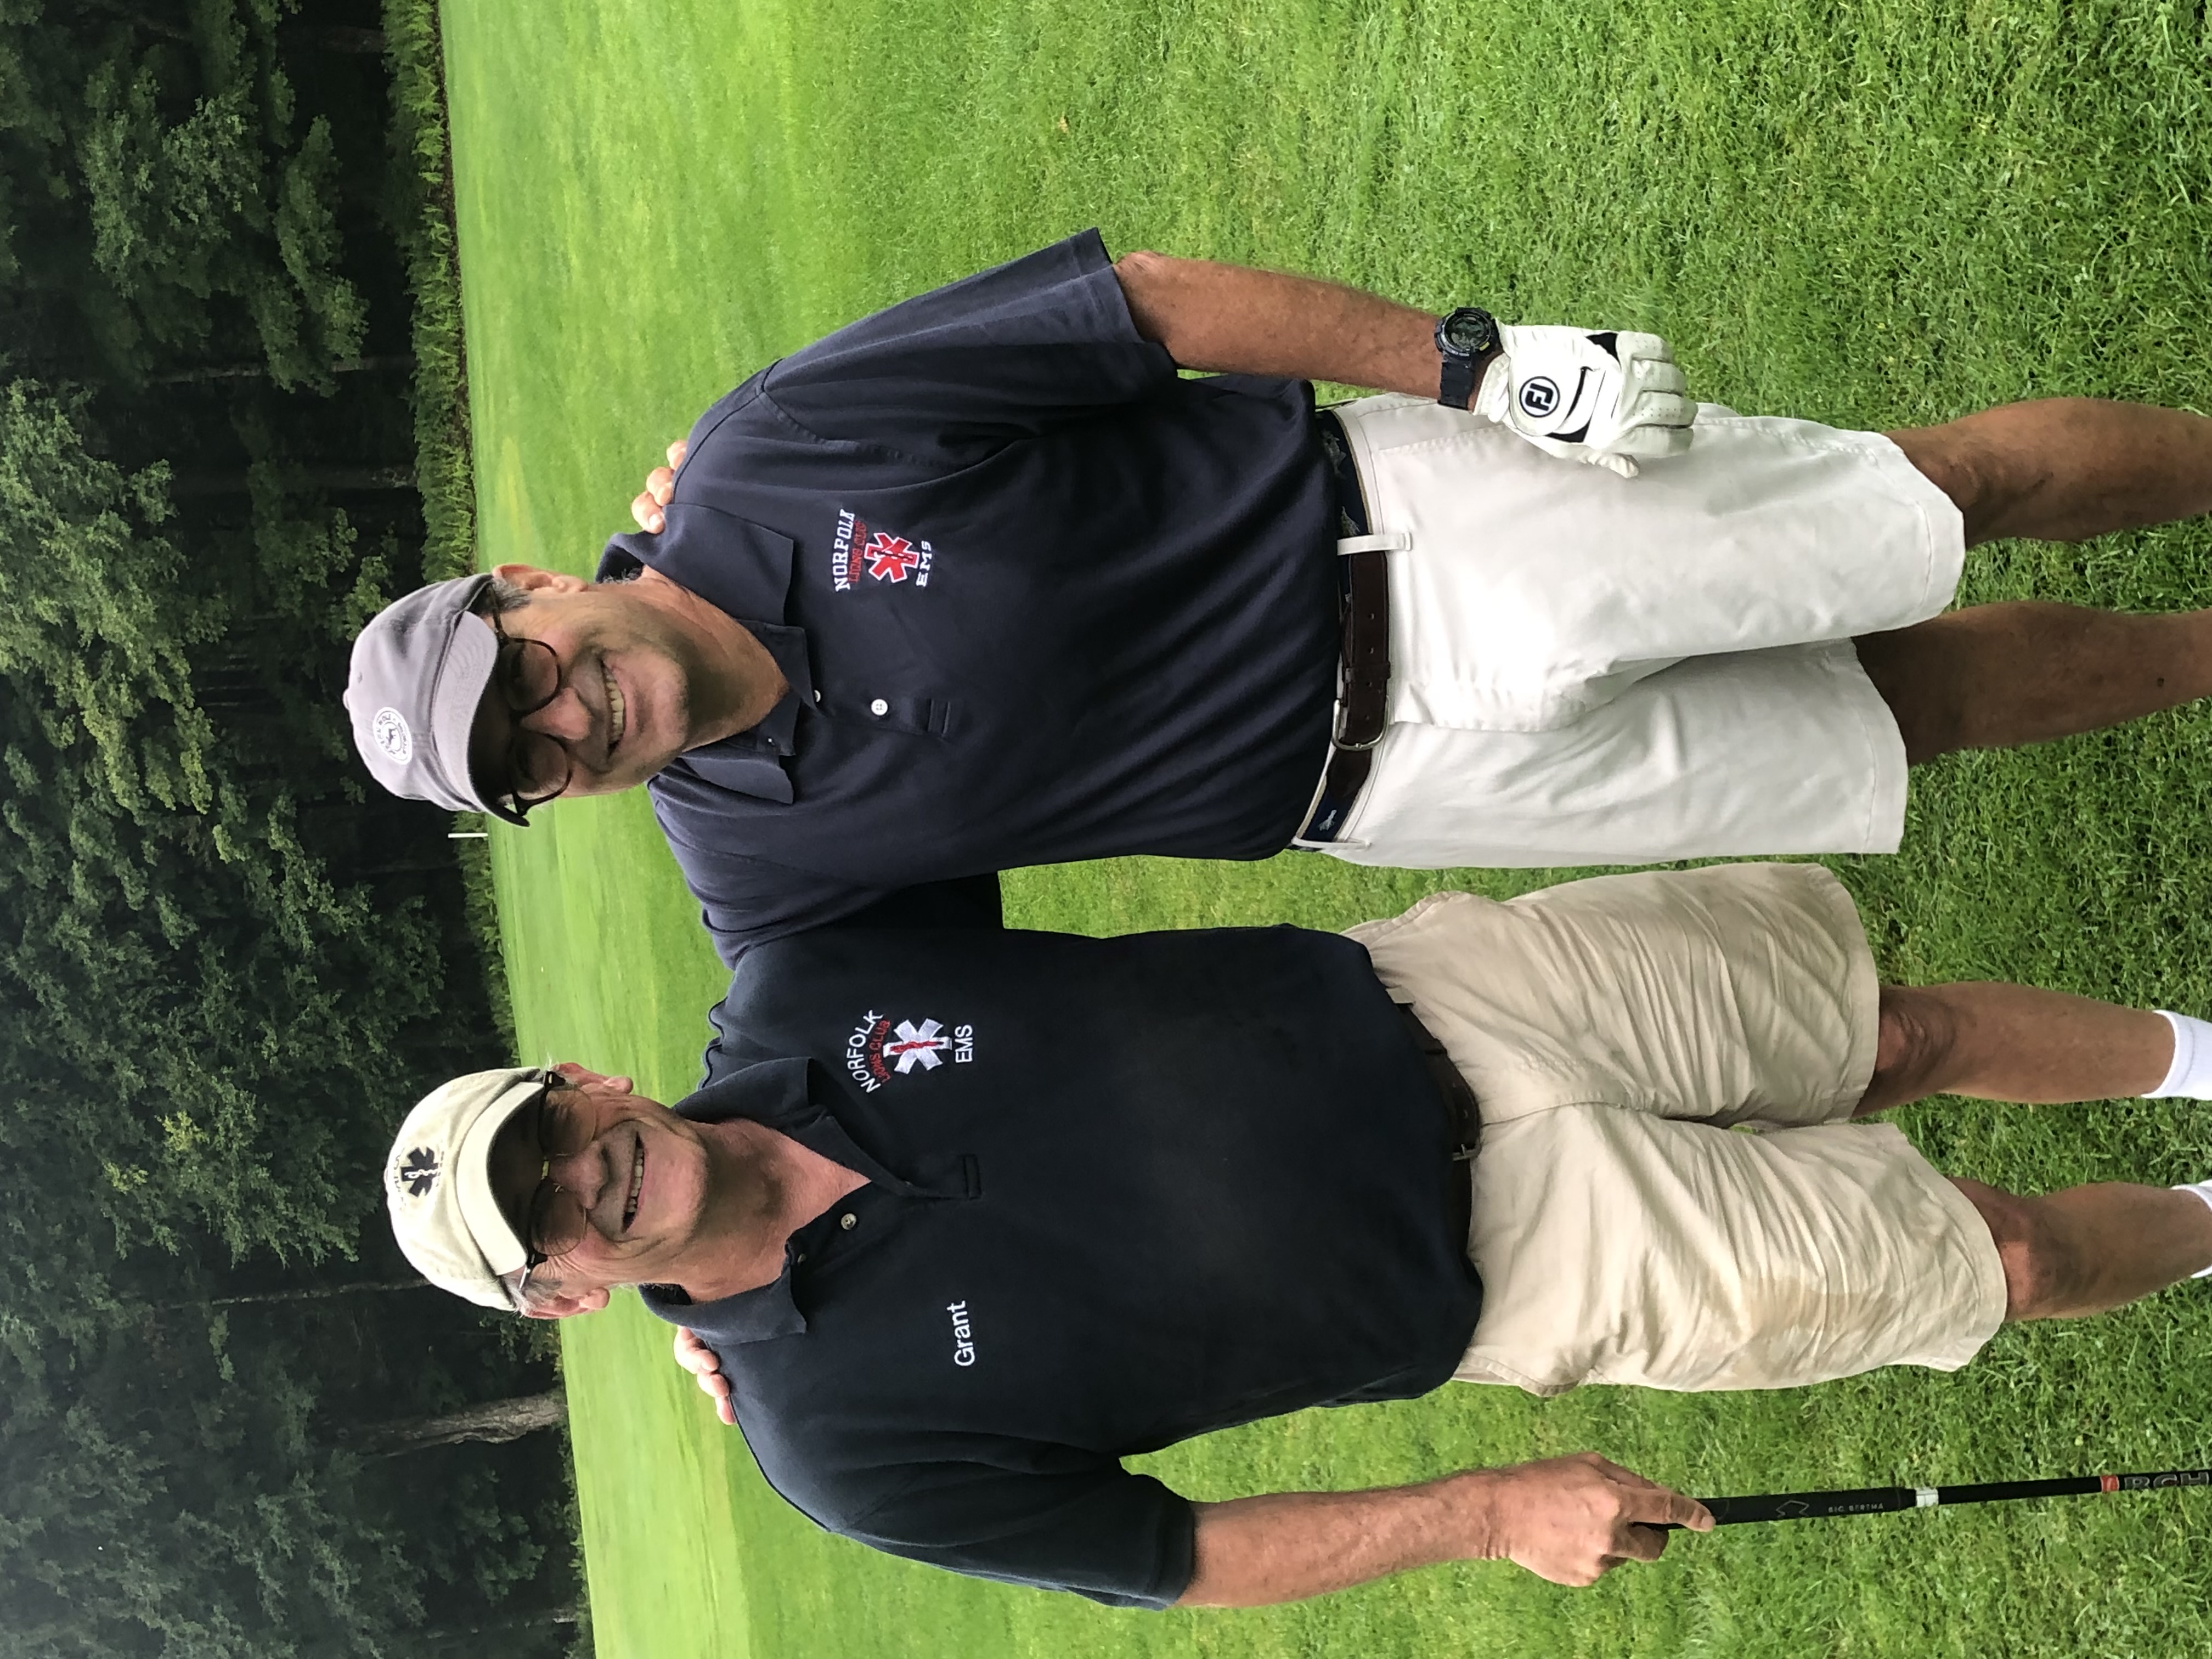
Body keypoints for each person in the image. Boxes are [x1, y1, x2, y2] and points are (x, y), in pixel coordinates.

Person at [347, 234, 2212, 963]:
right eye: (528, 761)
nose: (569, 720)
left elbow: (1134, 308)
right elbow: (792, 1090)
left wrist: (1474, 367)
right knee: (1908, 709)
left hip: (1416, 530)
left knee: (1924, 496)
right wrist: (716, 1321)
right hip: (1405, 794)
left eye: (524, 675)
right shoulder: (757, 868)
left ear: (522, 584)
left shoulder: (767, 452)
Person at [385, 864, 2212, 1607]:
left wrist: (665, 546)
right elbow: (1169, 1556)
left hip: (1458, 995)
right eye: (541, 1218)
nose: (583, 1177)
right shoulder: (837, 1444)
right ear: (559, 1293)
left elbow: (792, 717)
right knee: (2003, 1258)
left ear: (587, 1079)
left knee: (1894, 1034)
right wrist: (1490, 1510)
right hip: (1531, 1261)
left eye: (551, 1137)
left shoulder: (807, 971)